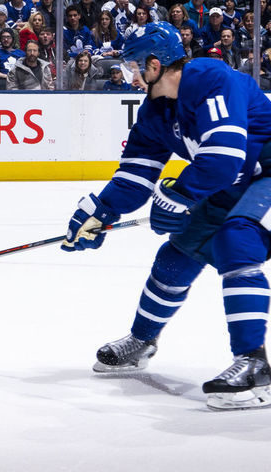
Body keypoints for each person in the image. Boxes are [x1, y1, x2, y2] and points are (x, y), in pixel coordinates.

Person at [61, 21, 271, 411]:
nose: (131, 76)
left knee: (235, 241)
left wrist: (181, 196)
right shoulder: (156, 111)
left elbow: (224, 160)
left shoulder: (209, 78)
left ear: (155, 65)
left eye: (134, 67)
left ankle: (255, 365)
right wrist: (100, 211)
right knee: (176, 257)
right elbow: (135, 176)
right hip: (235, 184)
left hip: (266, 175)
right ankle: (142, 341)